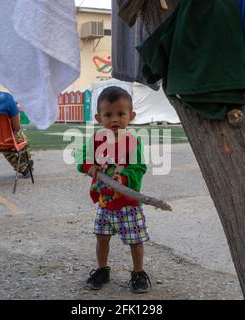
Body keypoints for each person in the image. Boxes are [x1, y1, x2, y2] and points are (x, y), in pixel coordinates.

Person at [75, 86, 150, 294]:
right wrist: (89, 167)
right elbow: (82, 159)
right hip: (105, 202)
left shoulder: (133, 142)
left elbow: (139, 168)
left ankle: (138, 272)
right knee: (101, 237)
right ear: (99, 117)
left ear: (131, 116)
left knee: (135, 241)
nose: (114, 119)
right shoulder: (96, 140)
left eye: (121, 114)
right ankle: (102, 269)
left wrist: (124, 177)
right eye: (108, 115)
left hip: (128, 204)